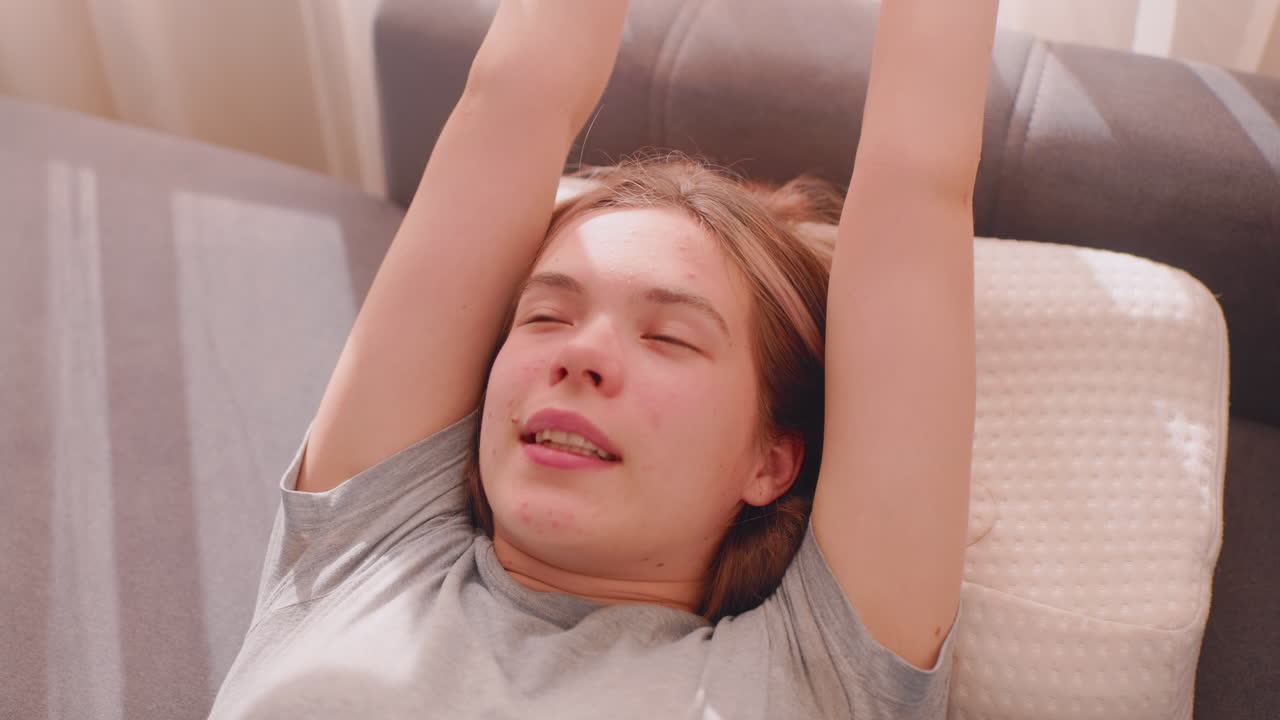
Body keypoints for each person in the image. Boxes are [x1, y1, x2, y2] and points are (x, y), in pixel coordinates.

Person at [209, 0, 997, 717]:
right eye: (546, 315)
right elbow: (514, 93)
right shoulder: (368, 545)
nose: (579, 354)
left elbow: (918, 180)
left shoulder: (818, 676)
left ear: (772, 462)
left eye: (668, 338)